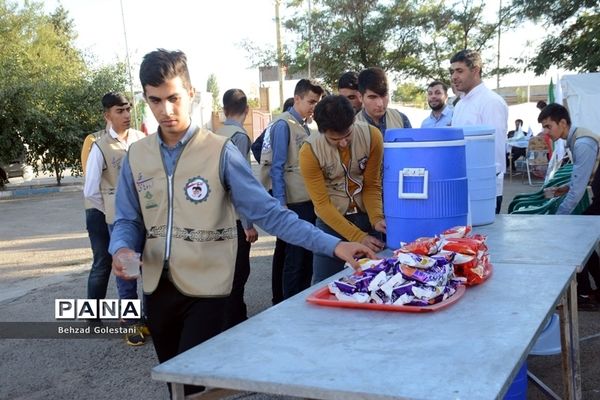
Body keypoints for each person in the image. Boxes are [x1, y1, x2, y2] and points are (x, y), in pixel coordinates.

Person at [109, 49, 374, 396]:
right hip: (158, 289)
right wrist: (122, 247)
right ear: (146, 98)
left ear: (191, 94)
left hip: (209, 289)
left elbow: (270, 213)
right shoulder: (137, 156)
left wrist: (334, 245)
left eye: (174, 98)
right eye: (156, 101)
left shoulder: (219, 151)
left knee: (194, 386)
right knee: (175, 383)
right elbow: (127, 218)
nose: (166, 110)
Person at [300, 95, 386, 282]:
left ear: (354, 120)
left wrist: (377, 218)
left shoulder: (373, 137)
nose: (343, 143)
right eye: (334, 139)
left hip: (366, 219)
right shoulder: (309, 151)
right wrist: (357, 237)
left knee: (374, 281)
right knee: (324, 283)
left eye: (348, 135)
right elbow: (322, 204)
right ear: (322, 131)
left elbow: (372, 185)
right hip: (330, 224)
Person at [83, 92, 147, 345]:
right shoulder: (100, 147)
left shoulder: (142, 140)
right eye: (119, 111)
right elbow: (90, 191)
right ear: (107, 115)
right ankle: (130, 321)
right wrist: (112, 209)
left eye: (128, 109)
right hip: (120, 220)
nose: (126, 115)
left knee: (151, 266)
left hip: (148, 215)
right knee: (127, 269)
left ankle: (150, 317)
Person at [259, 78, 324, 299]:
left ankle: (300, 300)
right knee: (294, 261)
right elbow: (276, 167)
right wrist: (281, 203)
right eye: (311, 101)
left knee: (306, 257)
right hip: (292, 205)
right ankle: (288, 304)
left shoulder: (306, 126)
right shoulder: (283, 125)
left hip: (307, 202)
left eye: (316, 102)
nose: (314, 106)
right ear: (297, 98)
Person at [538, 103, 600, 310]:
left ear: (562, 123)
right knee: (583, 241)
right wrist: (564, 188)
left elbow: (578, 190)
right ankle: (589, 291)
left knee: (578, 238)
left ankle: (583, 293)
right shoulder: (574, 140)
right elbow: (579, 180)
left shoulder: (582, 143)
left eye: (548, 127)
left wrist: (560, 217)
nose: (546, 132)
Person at [215, 88, 258, 328]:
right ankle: (235, 320)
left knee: (225, 271)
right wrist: (248, 224)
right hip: (235, 218)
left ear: (223, 109)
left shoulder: (215, 133)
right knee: (239, 272)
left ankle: (226, 317)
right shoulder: (239, 137)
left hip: (218, 215)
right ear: (247, 110)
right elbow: (241, 184)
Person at [450, 49, 508, 214]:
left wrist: (483, 186)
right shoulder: (460, 104)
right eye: (453, 71)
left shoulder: (491, 102)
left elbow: (495, 153)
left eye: (459, 71)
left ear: (475, 70)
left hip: (484, 190)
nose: (454, 76)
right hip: (462, 187)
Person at [355, 67, 412, 134]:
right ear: (360, 97)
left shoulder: (401, 119)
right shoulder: (352, 127)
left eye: (384, 96)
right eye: (372, 97)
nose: (380, 104)